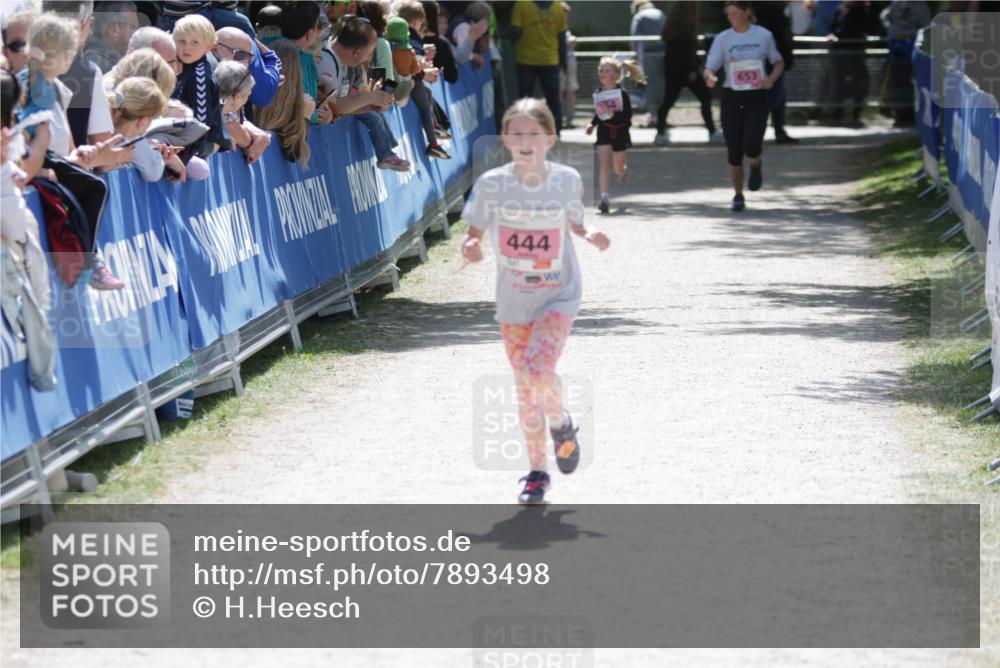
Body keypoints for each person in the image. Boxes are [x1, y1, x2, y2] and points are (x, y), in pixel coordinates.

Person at [459, 98, 610, 505]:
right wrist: (471, 246)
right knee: (527, 388)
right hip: (514, 302)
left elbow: (577, 219)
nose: (526, 141)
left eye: (534, 134)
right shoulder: (492, 184)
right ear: (506, 138)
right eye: (518, 134)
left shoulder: (565, 180)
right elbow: (473, 232)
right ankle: (538, 470)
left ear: (550, 139)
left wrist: (590, 233)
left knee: (537, 367)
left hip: (559, 293)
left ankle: (559, 424)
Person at [20, 11, 132, 290]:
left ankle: (87, 258)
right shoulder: (25, 86)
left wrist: (81, 155)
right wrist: (43, 170)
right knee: (95, 187)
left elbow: (67, 147)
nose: (71, 59)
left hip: (48, 160)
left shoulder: (56, 87)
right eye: (67, 53)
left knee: (92, 186)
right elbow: (19, 135)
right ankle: (88, 260)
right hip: (28, 162)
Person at [704, 1, 784, 212]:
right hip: (732, 97)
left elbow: (778, 61)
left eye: (736, 13)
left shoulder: (763, 35)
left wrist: (771, 79)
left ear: (747, 12)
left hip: (757, 96)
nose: (732, 18)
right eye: (729, 14)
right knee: (734, 151)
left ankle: (755, 162)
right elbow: (710, 66)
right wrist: (710, 76)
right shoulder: (723, 38)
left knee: (751, 145)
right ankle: (738, 195)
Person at [43, 1, 115, 148]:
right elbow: (102, 146)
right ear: (84, 25)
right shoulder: (89, 72)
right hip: (69, 167)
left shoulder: (17, 58)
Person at [654, 0, 719, 146]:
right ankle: (712, 131)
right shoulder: (688, 25)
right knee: (705, 97)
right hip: (686, 69)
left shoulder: (672, 26)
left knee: (668, 101)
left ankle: (660, 133)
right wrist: (692, 69)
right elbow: (688, 49)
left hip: (672, 68)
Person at [587, 56, 644, 215]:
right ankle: (604, 199)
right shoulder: (598, 93)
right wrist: (592, 125)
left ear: (616, 75)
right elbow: (599, 114)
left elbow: (627, 118)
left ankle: (623, 172)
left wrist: (612, 113)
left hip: (620, 134)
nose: (603, 73)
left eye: (607, 70)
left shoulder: (622, 94)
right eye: (601, 70)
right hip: (604, 132)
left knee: (617, 168)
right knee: (604, 165)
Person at [395, 3, 452, 159]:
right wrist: (425, 70)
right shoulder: (412, 35)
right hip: (409, 81)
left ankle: (435, 125)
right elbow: (415, 67)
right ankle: (433, 145)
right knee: (426, 109)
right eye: (422, 23)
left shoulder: (398, 30)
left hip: (405, 79)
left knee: (428, 92)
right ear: (416, 21)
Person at [212, 26, 278, 149]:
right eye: (240, 55)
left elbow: (237, 118)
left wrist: (259, 134)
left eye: (249, 58)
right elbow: (231, 126)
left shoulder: (235, 78)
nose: (245, 64)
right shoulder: (208, 71)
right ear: (215, 49)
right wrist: (250, 144)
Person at [171, 14, 229, 154]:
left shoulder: (200, 75)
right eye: (182, 41)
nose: (187, 48)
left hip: (202, 142)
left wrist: (190, 151)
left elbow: (201, 123)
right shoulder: (182, 69)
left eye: (195, 42)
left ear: (209, 46)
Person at [108, 75, 183, 181]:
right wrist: (162, 157)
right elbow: (153, 173)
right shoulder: (134, 141)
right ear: (143, 122)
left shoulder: (97, 122)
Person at [510, 0, 567, 134]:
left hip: (526, 60)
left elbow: (516, 31)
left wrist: (509, 40)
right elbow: (562, 36)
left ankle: (524, 132)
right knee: (553, 101)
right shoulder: (558, 6)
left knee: (525, 100)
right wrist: (563, 62)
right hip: (550, 61)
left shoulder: (521, 4)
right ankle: (555, 133)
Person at [254, 38, 311, 166]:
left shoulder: (251, 94)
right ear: (296, 74)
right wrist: (305, 117)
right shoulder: (293, 111)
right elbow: (293, 153)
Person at [880, 0, 931, 127]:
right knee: (897, 82)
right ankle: (899, 113)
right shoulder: (897, 3)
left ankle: (911, 114)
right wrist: (892, 30)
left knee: (913, 83)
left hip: (914, 51)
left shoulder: (922, 6)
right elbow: (884, 16)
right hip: (896, 50)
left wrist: (908, 34)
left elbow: (926, 28)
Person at [754, 1, 798, 143]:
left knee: (779, 99)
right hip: (771, 64)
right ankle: (756, 130)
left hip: (776, 63)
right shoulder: (773, 18)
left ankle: (779, 131)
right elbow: (781, 42)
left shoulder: (769, 15)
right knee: (773, 98)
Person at [828, 0, 869, 128]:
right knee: (838, 82)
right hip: (839, 52)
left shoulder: (861, 11)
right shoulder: (839, 9)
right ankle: (838, 112)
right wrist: (831, 35)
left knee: (857, 82)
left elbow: (852, 30)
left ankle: (856, 113)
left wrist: (837, 36)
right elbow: (832, 27)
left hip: (855, 52)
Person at [629, 0, 666, 125]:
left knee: (649, 84)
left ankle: (652, 115)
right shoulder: (661, 14)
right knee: (661, 84)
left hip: (648, 54)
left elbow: (635, 38)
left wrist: (635, 56)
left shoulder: (639, 16)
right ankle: (661, 114)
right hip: (665, 52)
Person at [85, 0, 140, 73]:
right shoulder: (96, 65)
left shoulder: (98, 61)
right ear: (114, 29)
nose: (137, 33)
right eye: (132, 27)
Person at [2, 10, 34, 75]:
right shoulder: (5, 83)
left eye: (34, 42)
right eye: (17, 45)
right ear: (6, 53)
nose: (27, 52)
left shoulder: (58, 83)